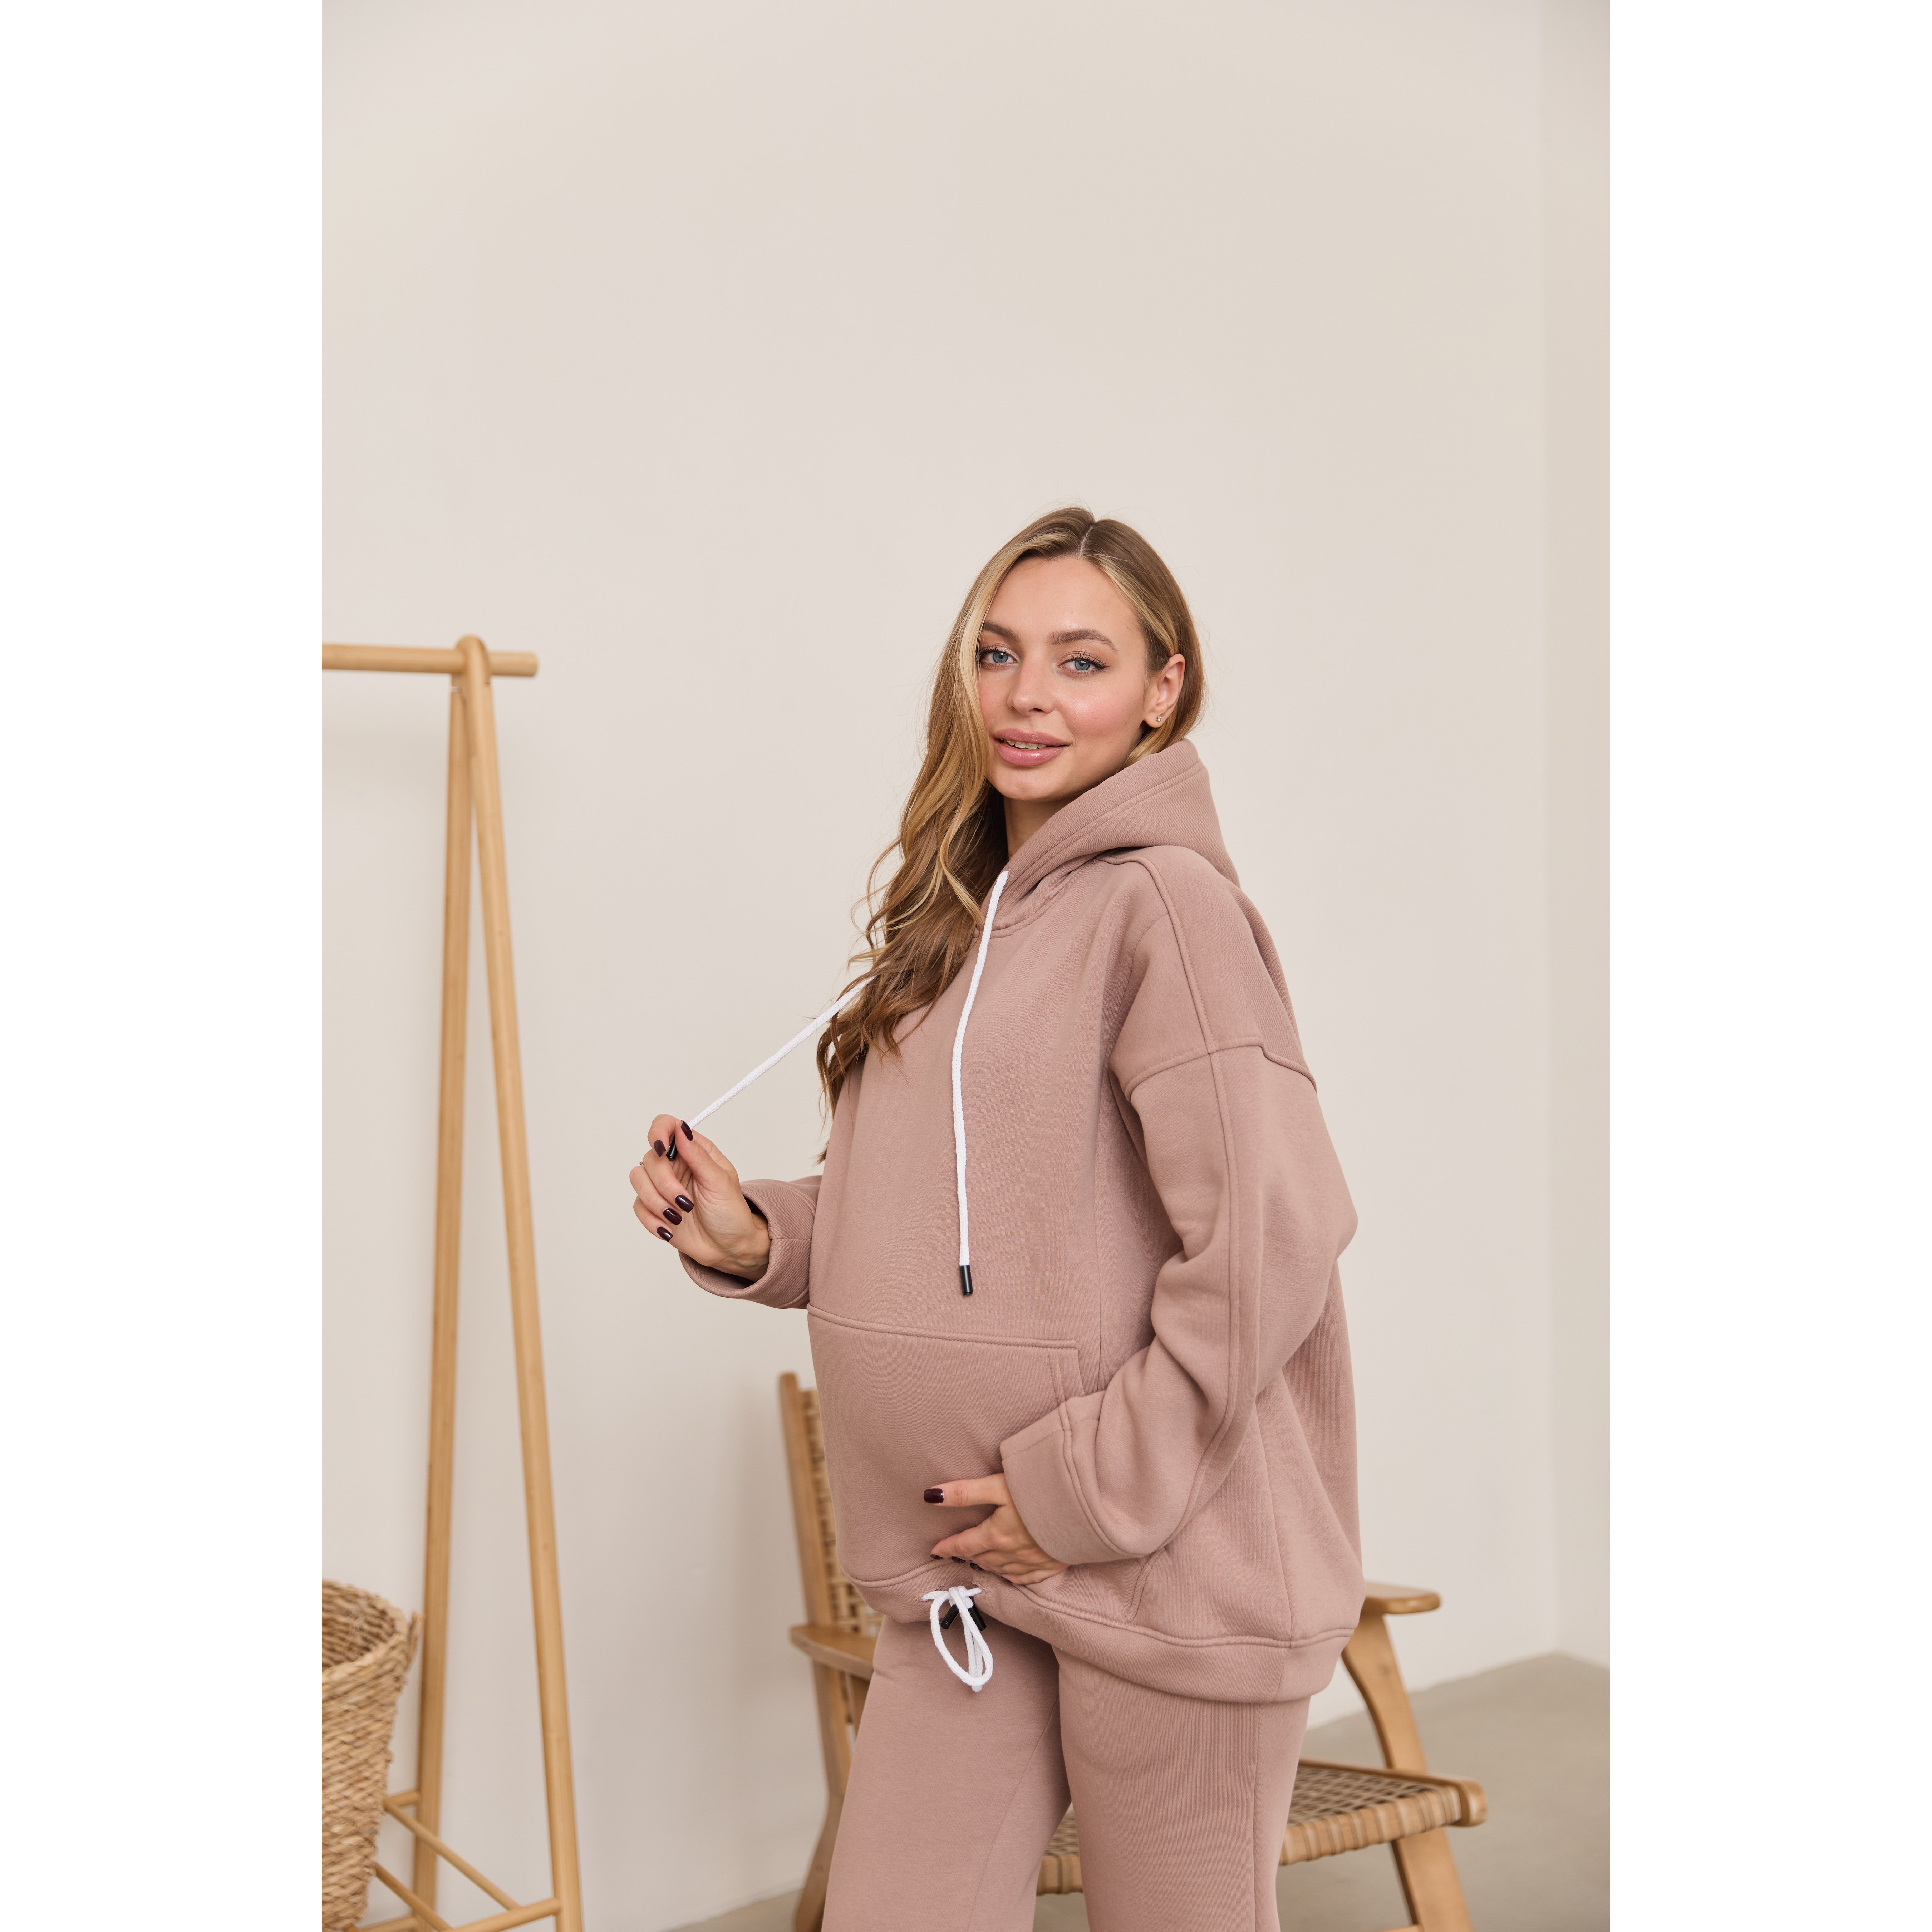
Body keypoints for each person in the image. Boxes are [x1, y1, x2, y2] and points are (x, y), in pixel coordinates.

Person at [630, 508, 1362, 1932]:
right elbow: (958, 1222)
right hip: (963, 1570)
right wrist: (761, 1236)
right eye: (997, 653)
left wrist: (1076, 1491)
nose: (1027, 696)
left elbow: (1274, 1238)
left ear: (1161, 689)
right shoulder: (953, 923)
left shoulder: (1168, 910)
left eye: (1081, 661)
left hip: (1158, 1570)